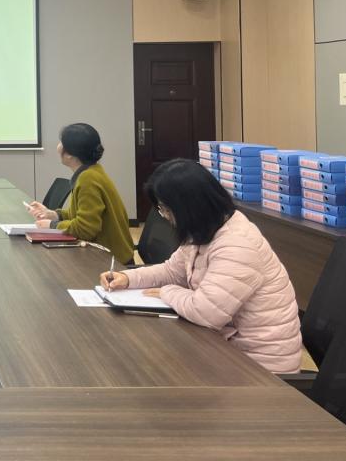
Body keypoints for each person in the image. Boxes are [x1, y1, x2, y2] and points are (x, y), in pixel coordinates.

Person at [100, 158, 302, 374]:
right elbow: (171, 271)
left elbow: (206, 312)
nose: (165, 216)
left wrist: (167, 292)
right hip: (225, 347)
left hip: (261, 369)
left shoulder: (237, 244)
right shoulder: (205, 229)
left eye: (165, 209)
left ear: (189, 207)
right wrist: (128, 278)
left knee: (151, 370)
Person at [27, 123, 134, 264]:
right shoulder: (92, 171)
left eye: (61, 142)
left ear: (70, 154)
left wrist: (52, 225)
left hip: (111, 263)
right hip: (104, 255)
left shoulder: (87, 179)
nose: (58, 146)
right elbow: (81, 215)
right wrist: (54, 215)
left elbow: (85, 229)